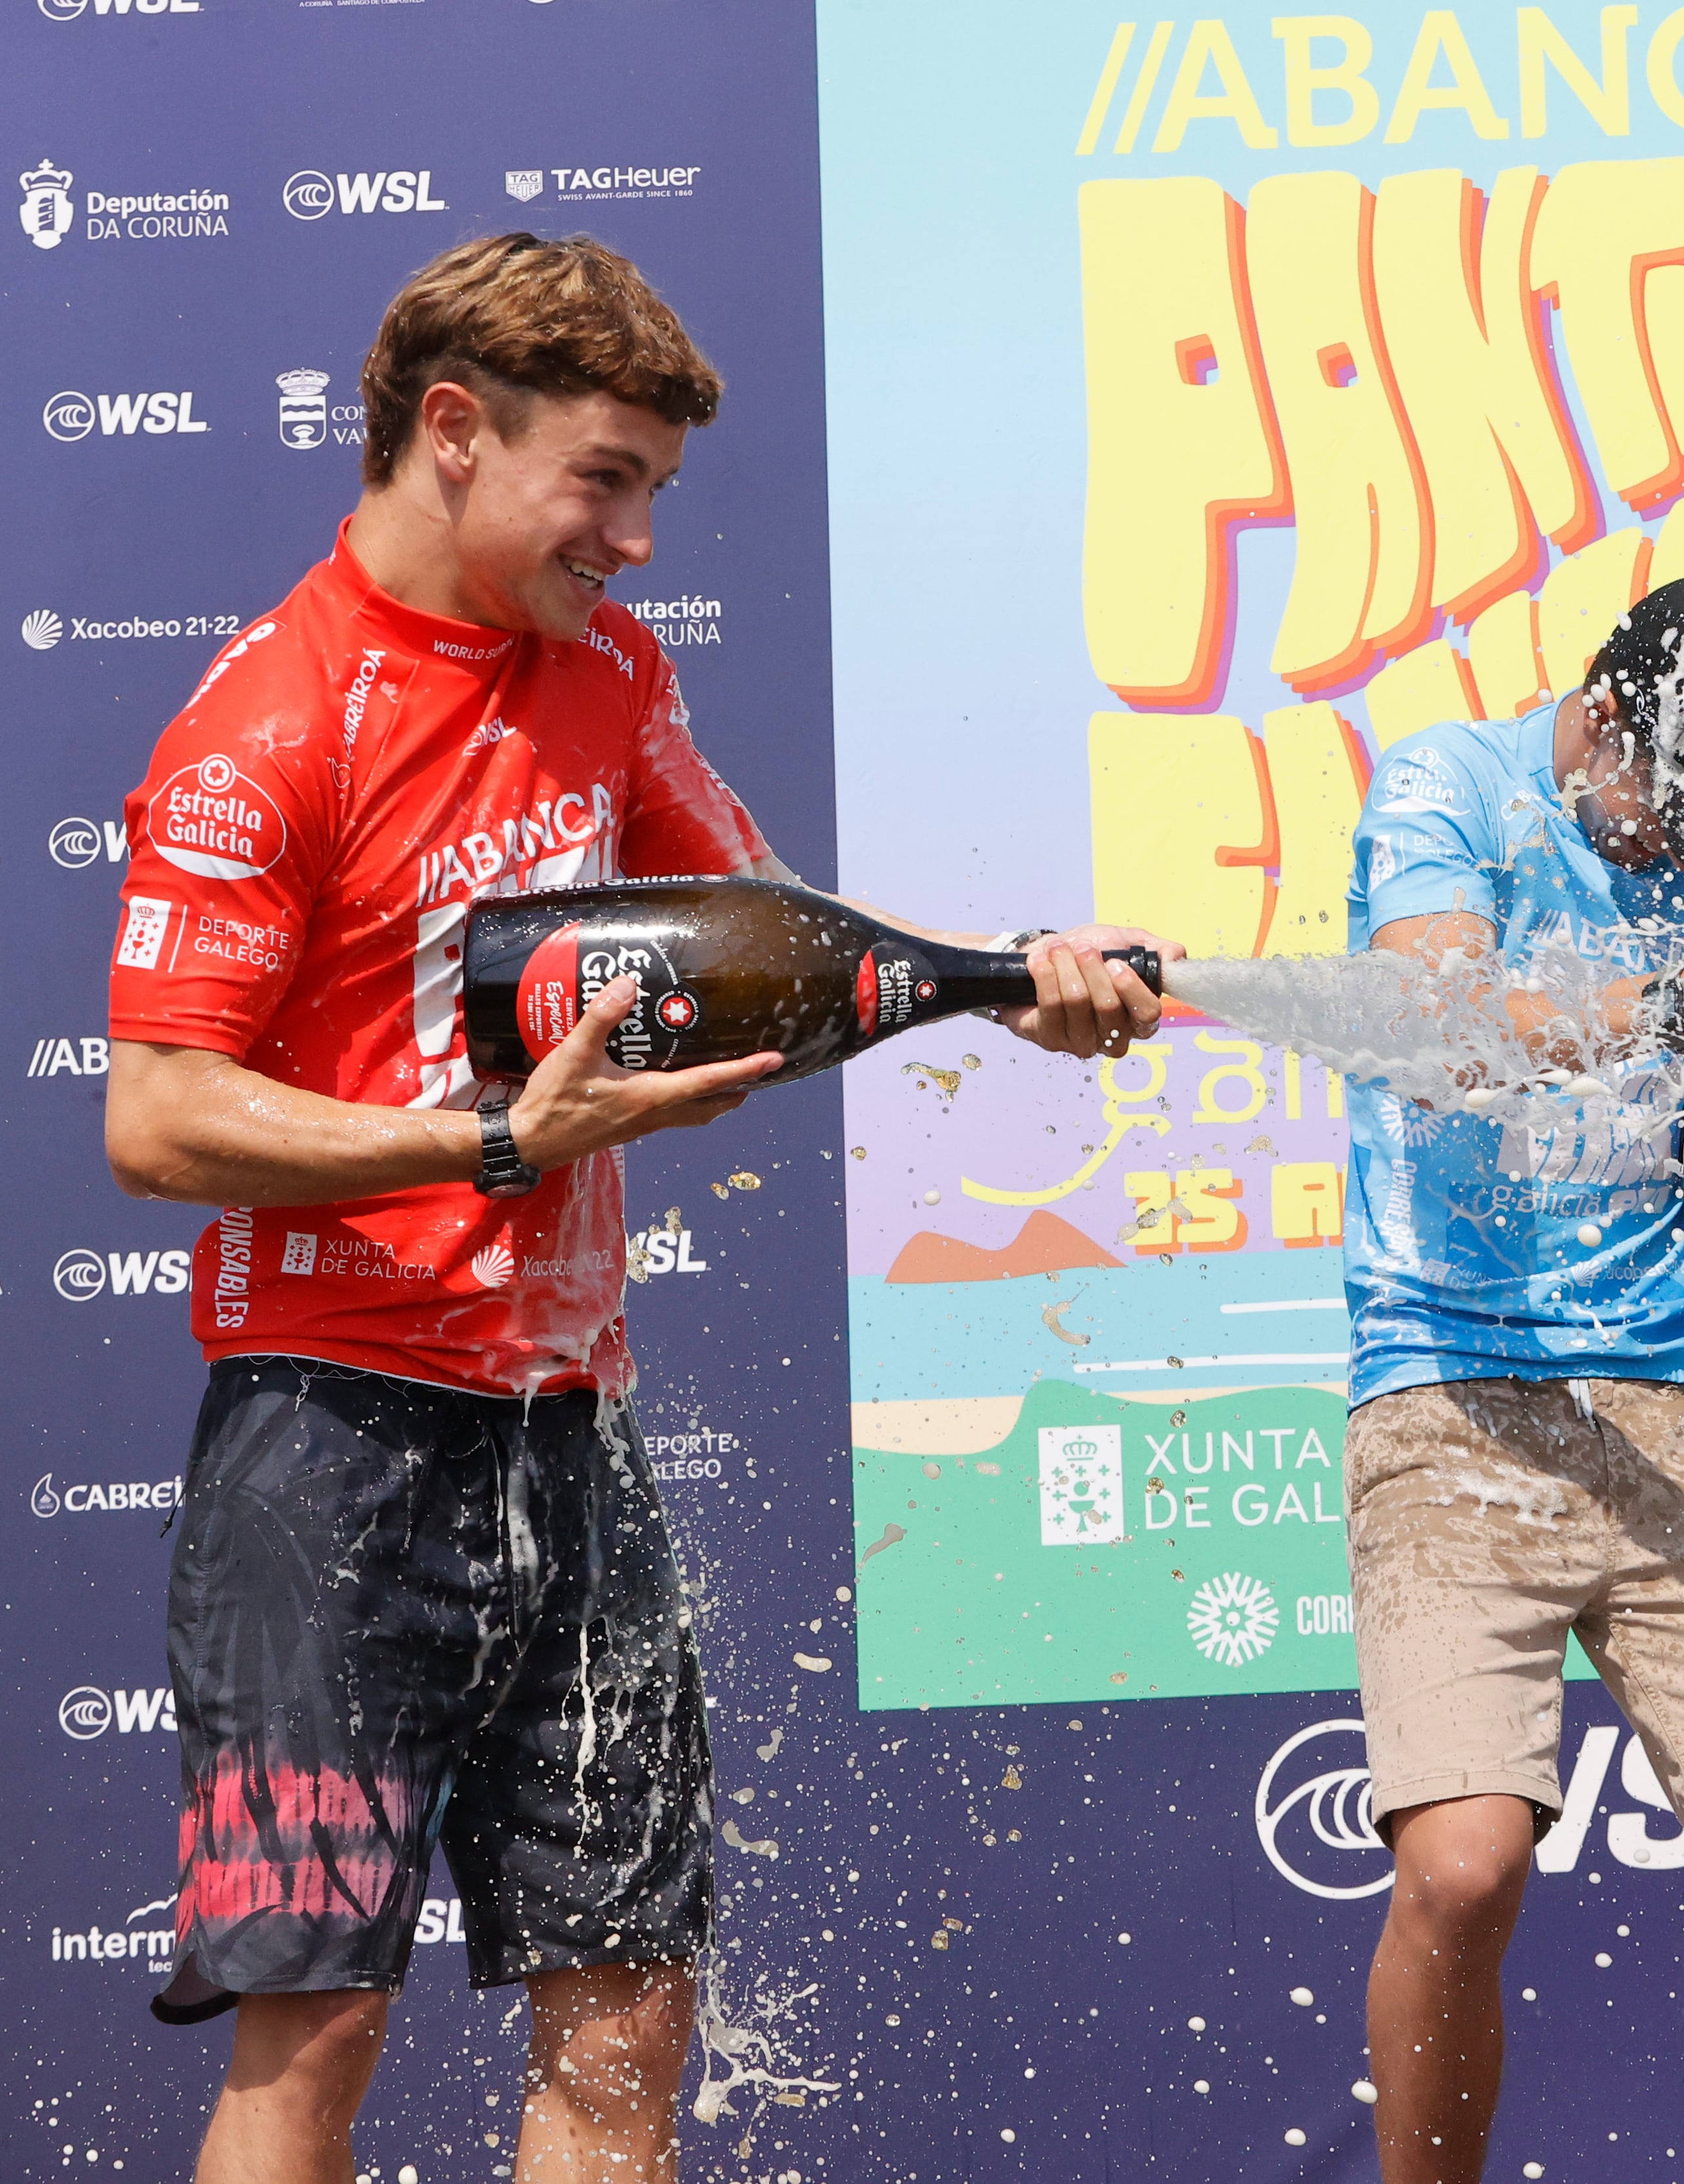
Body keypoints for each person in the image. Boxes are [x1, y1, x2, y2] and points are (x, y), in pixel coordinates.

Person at [102, 233, 1164, 2184]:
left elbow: (776, 938)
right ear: (451, 433)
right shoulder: (269, 724)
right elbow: (158, 1117)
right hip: (323, 1452)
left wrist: (1014, 977)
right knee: (316, 2024)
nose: (641, 537)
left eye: (656, 488)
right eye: (607, 478)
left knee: (628, 2007)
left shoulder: (610, 671)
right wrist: (490, 1141)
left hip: (569, 1440)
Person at [1341, 573, 1684, 2184]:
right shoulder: (1454, 782)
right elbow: (1436, 1025)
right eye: (1658, 806)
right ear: (1600, 717)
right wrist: (1668, 995)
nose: (1676, 848)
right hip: (1448, 1390)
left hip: (1671, 1401)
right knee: (1461, 1859)